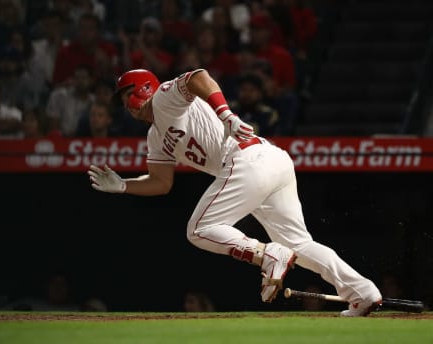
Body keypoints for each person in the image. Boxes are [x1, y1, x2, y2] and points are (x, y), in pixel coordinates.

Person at [87, 68, 382, 317]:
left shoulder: (164, 96)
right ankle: (362, 291)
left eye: (127, 94)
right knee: (300, 244)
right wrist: (125, 185)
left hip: (247, 160)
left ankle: (267, 255)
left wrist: (225, 114)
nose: (125, 103)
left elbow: (198, 77)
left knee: (199, 229)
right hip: (270, 162)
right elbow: (161, 182)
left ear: (145, 88)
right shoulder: (155, 136)